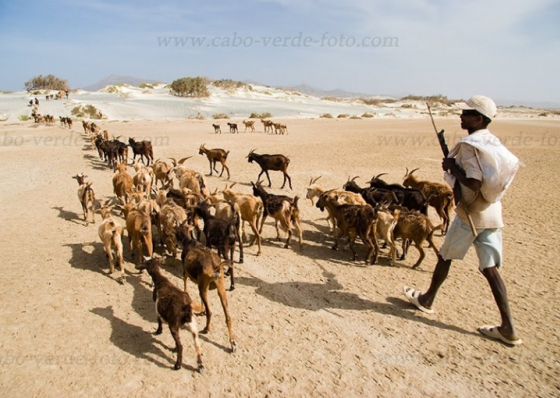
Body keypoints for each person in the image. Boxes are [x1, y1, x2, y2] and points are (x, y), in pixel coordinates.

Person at [403, 95, 522, 346]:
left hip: (470, 214)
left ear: (478, 118)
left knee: (445, 256)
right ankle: (508, 327)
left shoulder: (469, 145)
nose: (461, 116)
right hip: (491, 211)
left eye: (466, 113)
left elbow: (474, 182)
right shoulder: (492, 142)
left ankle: (426, 300)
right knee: (490, 269)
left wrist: (451, 166)